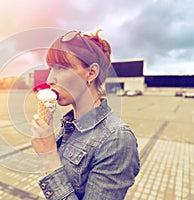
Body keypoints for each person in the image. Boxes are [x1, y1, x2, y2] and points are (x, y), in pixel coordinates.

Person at [31, 30, 140, 200]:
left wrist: (50, 157)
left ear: (91, 73)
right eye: (50, 68)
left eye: (61, 68)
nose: (50, 79)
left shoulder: (117, 139)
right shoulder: (70, 125)